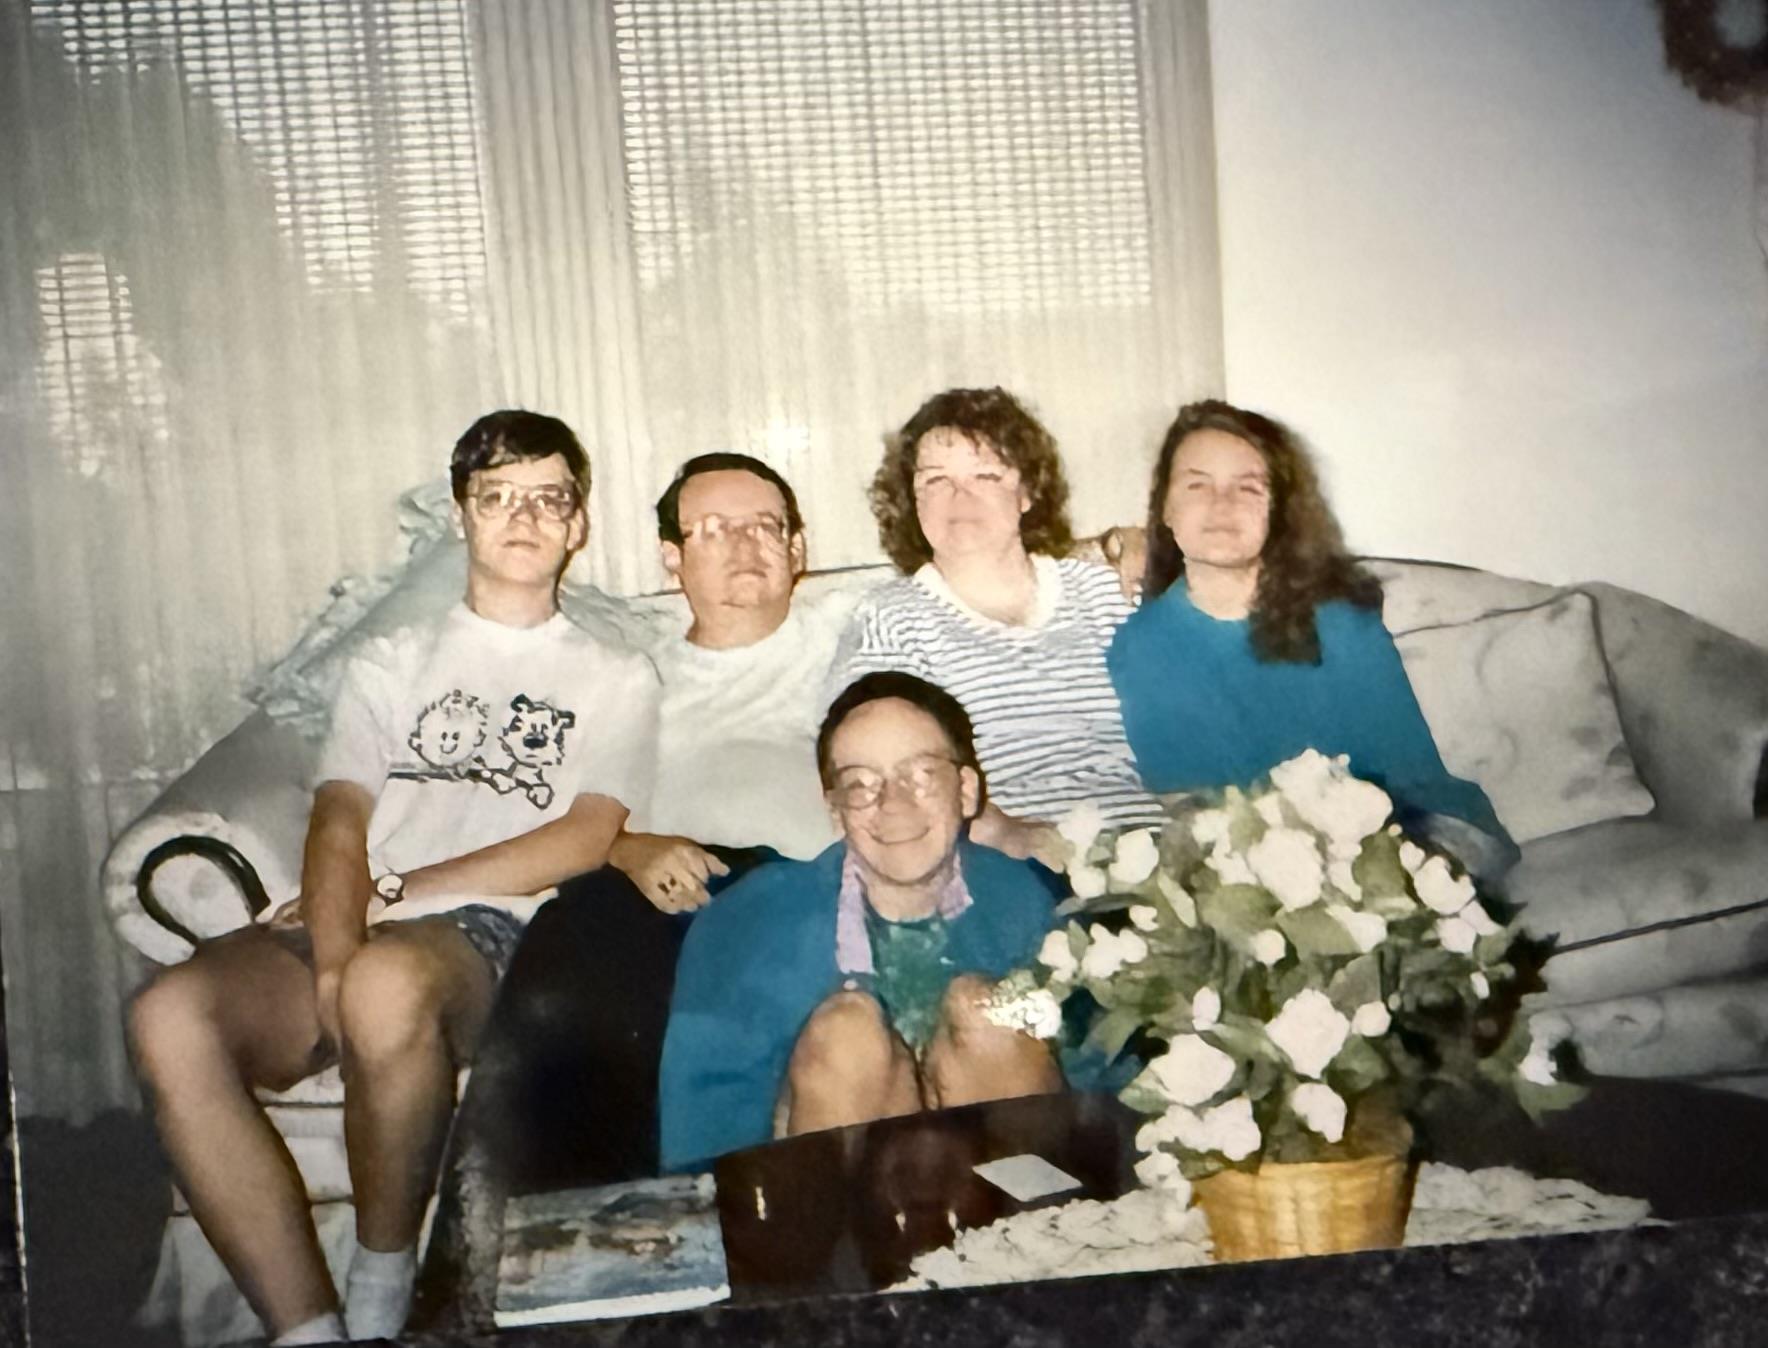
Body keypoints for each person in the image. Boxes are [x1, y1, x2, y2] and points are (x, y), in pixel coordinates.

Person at [126, 410, 659, 1346]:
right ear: (462, 515)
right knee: (167, 1017)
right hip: (353, 915)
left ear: (579, 524)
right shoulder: (388, 661)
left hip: (495, 929)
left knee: (382, 982)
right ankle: (306, 1329)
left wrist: (396, 893)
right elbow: (340, 817)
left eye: (549, 499)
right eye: (498, 497)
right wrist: (333, 953)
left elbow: (583, 836)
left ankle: (382, 1287)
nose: (524, 518)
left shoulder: (614, 674)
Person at [452, 452, 855, 1192]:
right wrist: (628, 849)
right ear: (672, 560)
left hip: (794, 888)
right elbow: (565, 808)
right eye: (713, 530)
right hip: (646, 893)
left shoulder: (851, 640)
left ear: (798, 550)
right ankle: (537, 1253)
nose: (744, 545)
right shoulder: (629, 672)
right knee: (565, 960)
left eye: (765, 526)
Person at [660, 671, 1065, 1172]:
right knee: (849, 1034)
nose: (893, 805)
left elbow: (1095, 1074)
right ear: (835, 811)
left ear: (965, 791)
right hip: (822, 1191)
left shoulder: (1021, 898)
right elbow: (703, 1128)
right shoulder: (747, 921)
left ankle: (1031, 1234)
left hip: (996, 1181)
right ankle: (839, 1250)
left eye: (921, 776)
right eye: (861, 785)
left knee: (986, 1009)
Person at [1107, 398, 1514, 872]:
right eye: (1198, 484)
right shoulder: (1141, 648)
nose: (1222, 504)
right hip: (1257, 858)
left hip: (1410, 825)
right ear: (1165, 509)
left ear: (1279, 513)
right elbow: (1192, 804)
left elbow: (1401, 771)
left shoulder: (1339, 616)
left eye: (1249, 487)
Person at [829, 387, 1165, 870]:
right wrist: (1009, 834)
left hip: (1159, 850)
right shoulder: (892, 620)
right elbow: (879, 771)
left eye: (986, 475)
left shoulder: (1106, 590)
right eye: (935, 480)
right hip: (1019, 865)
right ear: (911, 499)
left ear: (1027, 492)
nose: (959, 497)